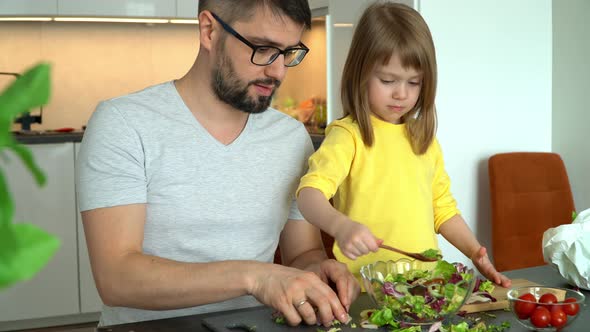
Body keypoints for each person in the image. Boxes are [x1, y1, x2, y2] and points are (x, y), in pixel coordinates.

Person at [75, 0, 359, 327]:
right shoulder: (124, 124)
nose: (278, 71)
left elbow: (301, 254)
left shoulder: (291, 137)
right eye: (264, 48)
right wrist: (255, 277)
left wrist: (316, 270)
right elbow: (117, 278)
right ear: (209, 31)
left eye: (288, 53)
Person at [296, 2, 511, 288]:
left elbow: (443, 210)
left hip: (425, 286)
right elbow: (308, 195)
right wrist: (340, 226)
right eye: (388, 80)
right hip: (366, 291)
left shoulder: (424, 140)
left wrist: (475, 251)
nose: (401, 94)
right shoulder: (348, 136)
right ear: (360, 74)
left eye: (414, 82)